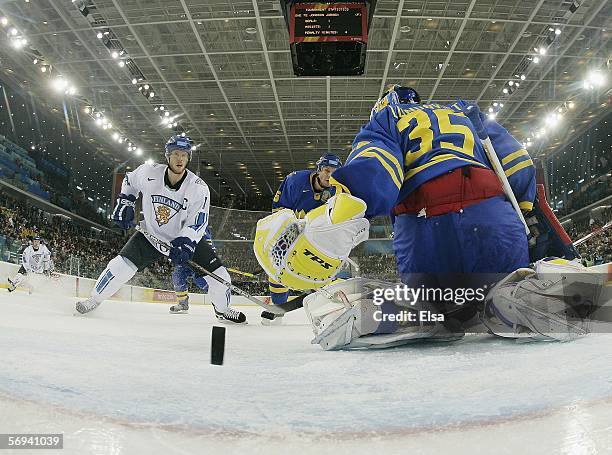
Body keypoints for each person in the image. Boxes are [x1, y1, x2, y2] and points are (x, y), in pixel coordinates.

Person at [254, 84, 557, 348]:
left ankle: (421, 314)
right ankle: (519, 297)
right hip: (494, 216)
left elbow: (376, 173)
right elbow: (516, 161)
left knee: (431, 303)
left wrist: (340, 216)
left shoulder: (388, 119)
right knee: (502, 288)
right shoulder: (464, 111)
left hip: (426, 224)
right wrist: (524, 210)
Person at [75, 135, 246, 324]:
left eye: (184, 155)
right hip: (151, 235)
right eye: (175, 154)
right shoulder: (149, 172)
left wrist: (187, 243)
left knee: (221, 277)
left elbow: (198, 221)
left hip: (182, 239)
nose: (180, 159)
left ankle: (222, 310)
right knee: (119, 267)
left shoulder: (198, 188)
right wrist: (126, 202)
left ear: (188, 158)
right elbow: (129, 181)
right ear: (167, 156)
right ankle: (93, 300)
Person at [265, 153, 342, 322]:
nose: (330, 176)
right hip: (290, 233)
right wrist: (290, 230)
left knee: (323, 272)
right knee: (277, 269)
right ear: (319, 169)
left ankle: (331, 311)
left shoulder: (339, 190)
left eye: (334, 172)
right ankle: (278, 308)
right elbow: (278, 210)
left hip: (319, 237)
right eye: (327, 170)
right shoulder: (295, 181)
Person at [168, 227, 213, 314]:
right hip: (184, 261)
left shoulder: (201, 227)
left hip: (198, 261)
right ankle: (183, 304)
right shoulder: (177, 225)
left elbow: (209, 246)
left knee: (201, 281)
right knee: (177, 276)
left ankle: (219, 303)